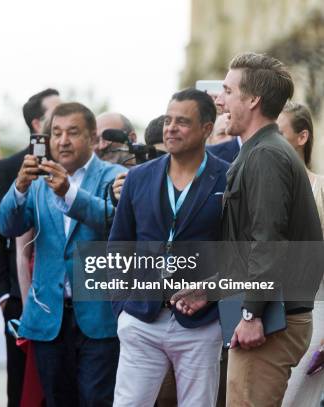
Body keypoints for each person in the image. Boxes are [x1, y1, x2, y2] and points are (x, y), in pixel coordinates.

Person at [174, 52, 323, 406]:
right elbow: (249, 248)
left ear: (253, 99)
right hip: (267, 312)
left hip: (271, 319)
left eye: (227, 90)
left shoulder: (266, 155)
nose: (219, 99)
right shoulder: (260, 152)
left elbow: (268, 243)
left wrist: (252, 313)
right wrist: (210, 290)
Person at [0, 102, 124, 406]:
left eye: (72, 132)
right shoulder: (38, 183)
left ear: (93, 138)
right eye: (56, 133)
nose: (62, 140)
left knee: (96, 400)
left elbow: (116, 224)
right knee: (56, 400)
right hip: (50, 316)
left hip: (99, 316)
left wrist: (69, 193)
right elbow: (6, 225)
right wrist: (19, 187)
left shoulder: (114, 176)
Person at [109, 89, 227, 406]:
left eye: (182, 122)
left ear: (206, 128)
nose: (171, 127)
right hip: (141, 317)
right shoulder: (138, 177)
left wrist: (213, 296)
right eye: (168, 120)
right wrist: (122, 308)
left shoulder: (229, 179)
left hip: (200, 323)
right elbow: (119, 245)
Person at [0, 88, 60, 406]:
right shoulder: (9, 168)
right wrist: (5, 294)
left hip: (63, 293)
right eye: (56, 114)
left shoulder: (72, 167)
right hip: (18, 298)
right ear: (37, 122)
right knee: (20, 386)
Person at [277, 102, 324, 407]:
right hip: (255, 307)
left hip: (313, 309)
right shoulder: (254, 184)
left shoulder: (321, 189)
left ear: (302, 137)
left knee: (295, 399)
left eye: (278, 132)